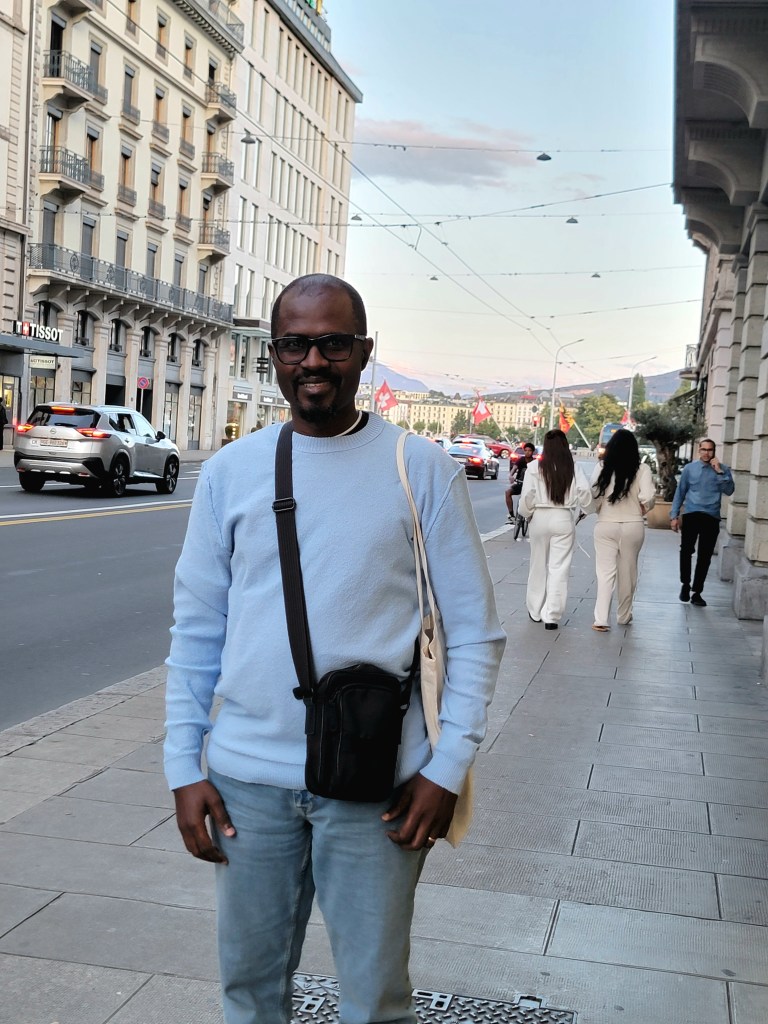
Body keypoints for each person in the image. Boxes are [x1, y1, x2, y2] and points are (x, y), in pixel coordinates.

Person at [164, 273, 506, 1024]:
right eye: (294, 345)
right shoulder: (230, 472)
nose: (313, 361)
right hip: (247, 786)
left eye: (333, 343)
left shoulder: (420, 469)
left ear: (364, 351)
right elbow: (197, 631)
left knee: (375, 1000)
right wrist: (183, 766)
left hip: (379, 785)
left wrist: (446, 768)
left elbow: (476, 632)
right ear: (273, 355)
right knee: (249, 992)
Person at [520, 428, 594, 630]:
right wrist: (587, 509)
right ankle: (552, 615)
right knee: (559, 567)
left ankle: (535, 609)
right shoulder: (573, 467)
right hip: (563, 516)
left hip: (540, 517)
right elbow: (585, 491)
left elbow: (527, 496)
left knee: (537, 564)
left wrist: (526, 513)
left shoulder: (534, 467)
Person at [590, 429, 655, 631]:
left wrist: (599, 509)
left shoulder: (602, 466)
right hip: (633, 525)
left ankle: (601, 619)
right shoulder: (642, 469)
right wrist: (643, 507)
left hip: (606, 524)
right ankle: (624, 615)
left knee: (605, 573)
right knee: (628, 572)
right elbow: (648, 496)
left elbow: (593, 494)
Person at [670, 438, 734, 606]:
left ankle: (697, 592)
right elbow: (680, 492)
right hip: (691, 514)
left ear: (714, 451)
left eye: (710, 450)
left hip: (711, 516)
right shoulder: (689, 469)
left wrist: (719, 471)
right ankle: (685, 584)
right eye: (704, 449)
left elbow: (729, 490)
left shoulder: (723, 469)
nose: (706, 453)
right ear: (699, 450)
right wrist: (674, 516)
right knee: (686, 551)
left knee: (704, 556)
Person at [505, 441, 536, 523]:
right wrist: (511, 475)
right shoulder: (521, 460)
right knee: (508, 492)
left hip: (531, 487)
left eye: (529, 450)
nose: (527, 452)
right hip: (520, 483)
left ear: (532, 452)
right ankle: (511, 515)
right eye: (525, 450)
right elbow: (514, 468)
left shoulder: (535, 462)